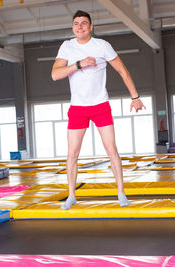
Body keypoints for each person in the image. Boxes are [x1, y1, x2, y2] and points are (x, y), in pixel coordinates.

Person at [51, 10, 145, 210]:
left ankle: (120, 192)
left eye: (84, 23)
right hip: (78, 107)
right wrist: (78, 64)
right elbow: (55, 75)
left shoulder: (102, 46)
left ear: (91, 27)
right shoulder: (67, 47)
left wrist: (135, 97)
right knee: (72, 154)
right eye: (76, 23)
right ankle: (71, 195)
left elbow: (122, 70)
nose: (80, 26)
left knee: (111, 149)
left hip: (100, 105)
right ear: (72, 27)